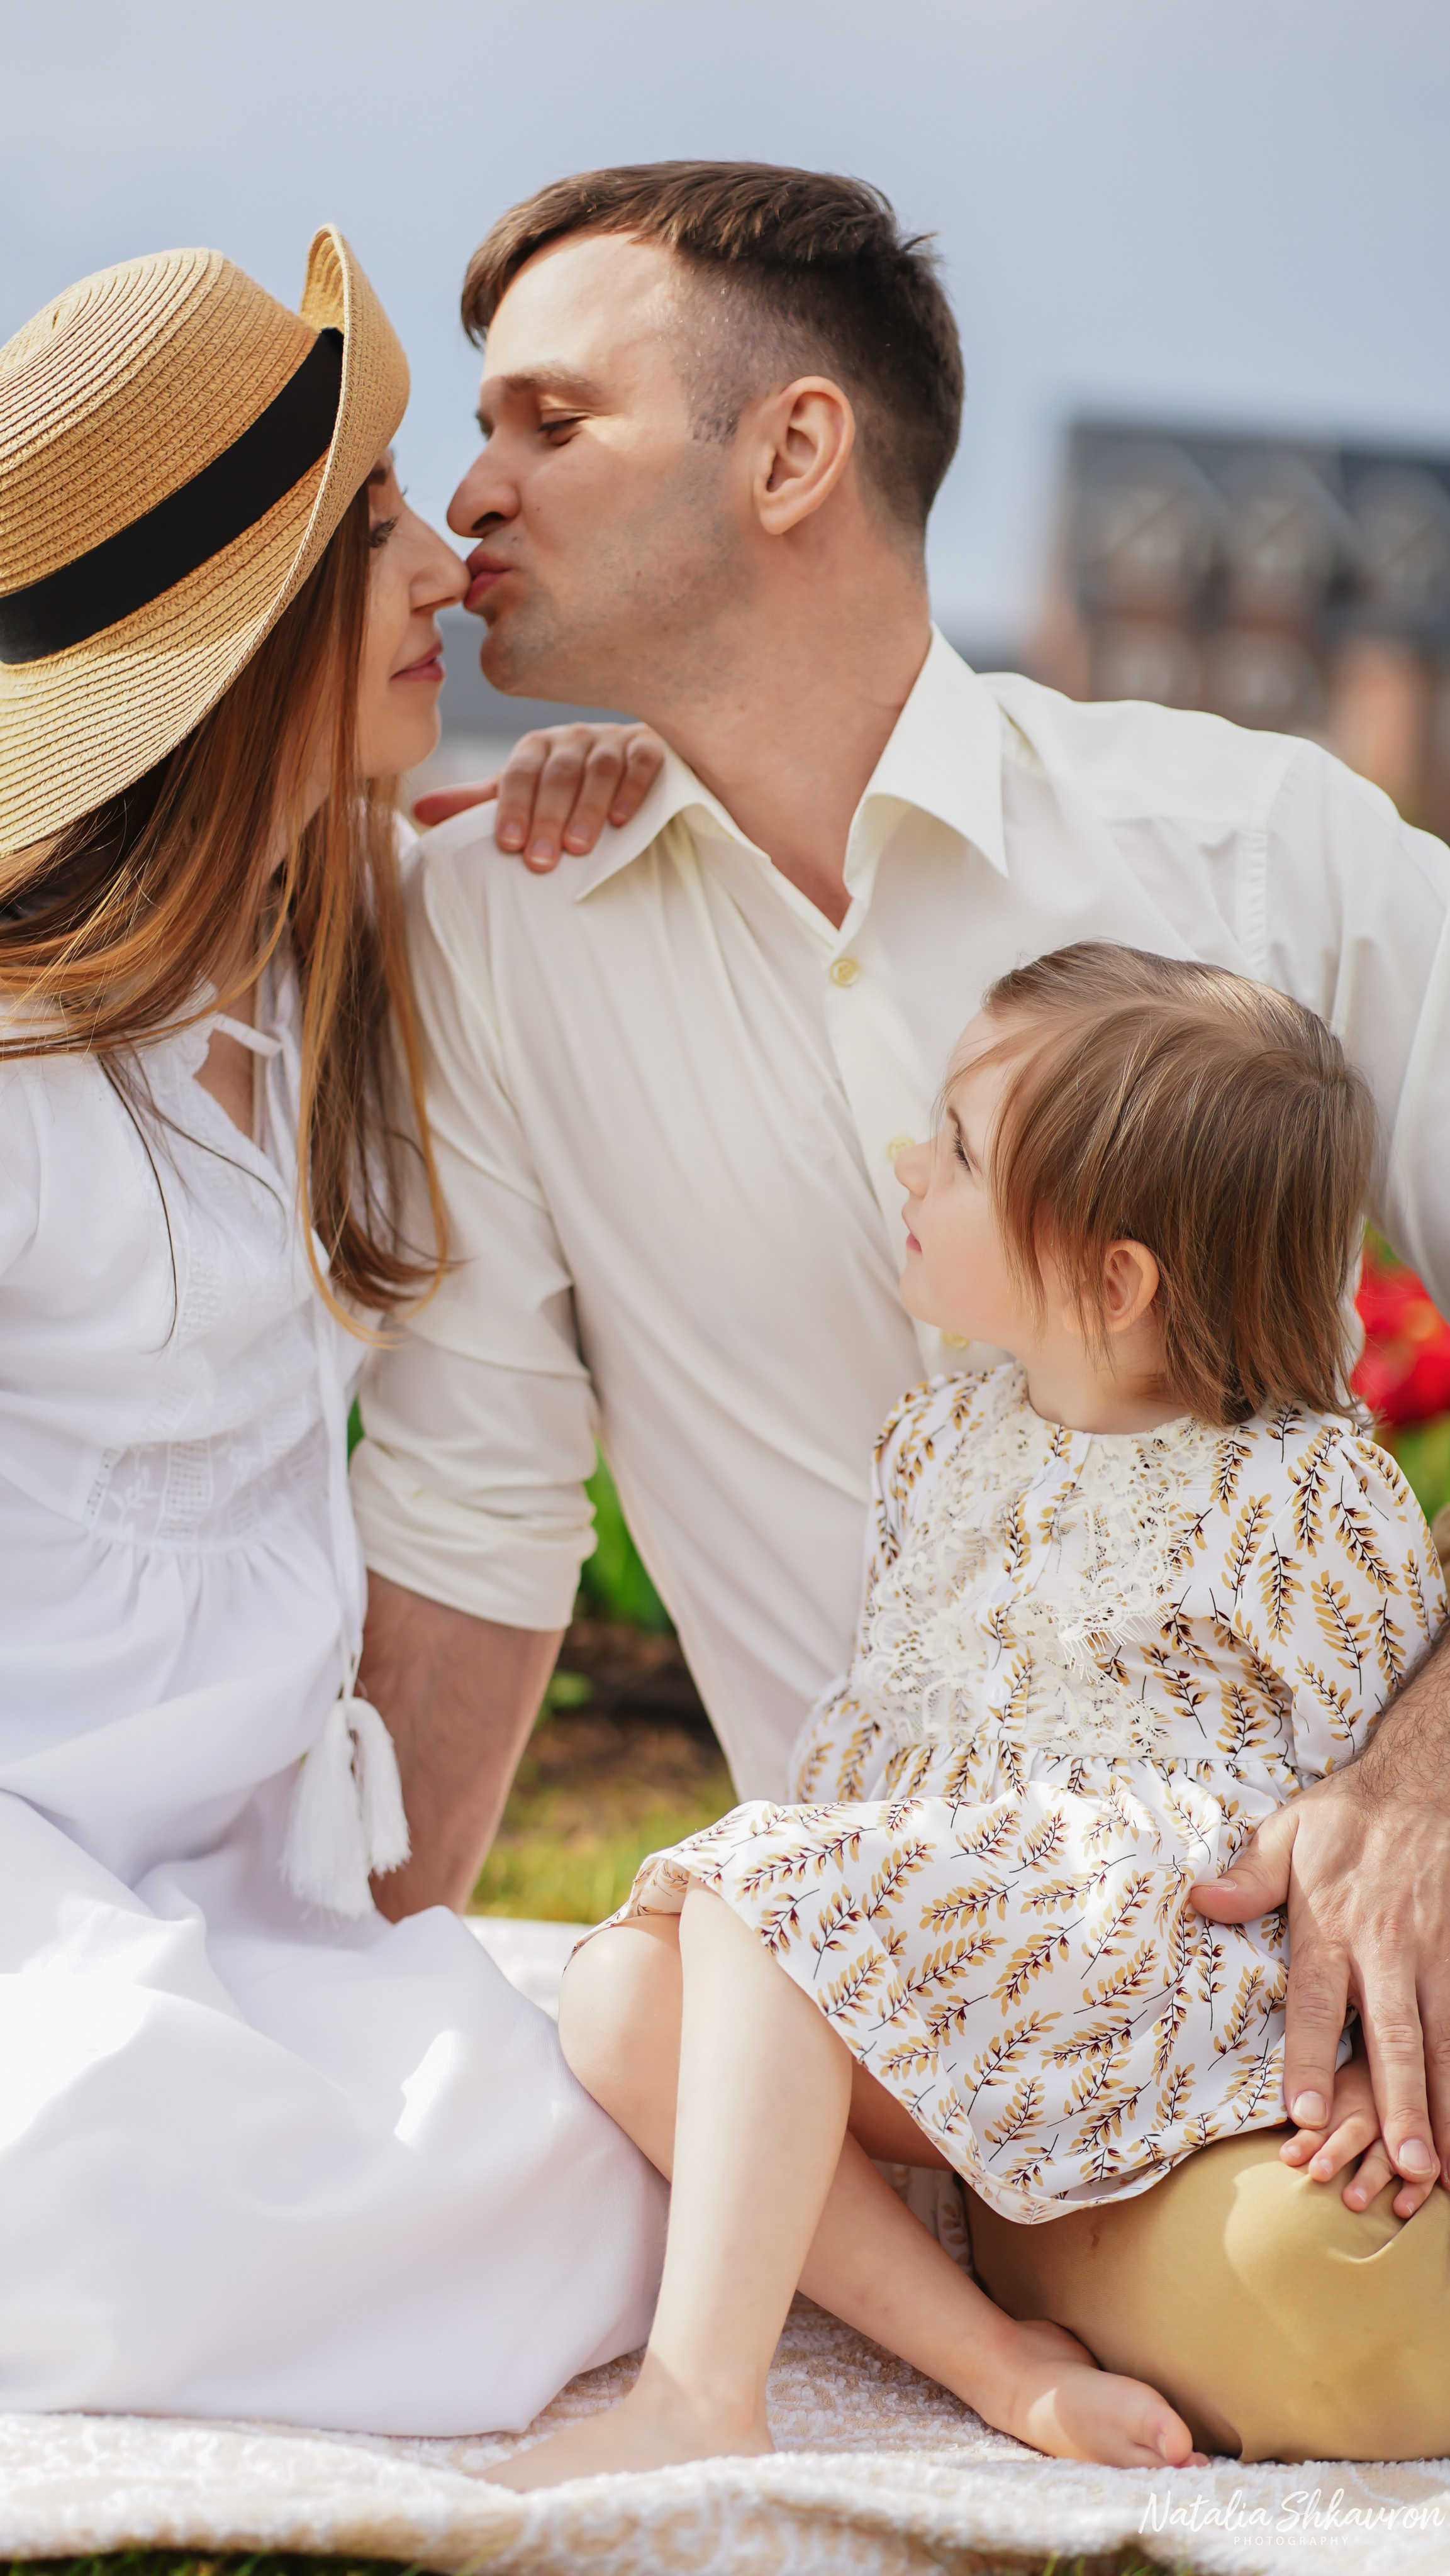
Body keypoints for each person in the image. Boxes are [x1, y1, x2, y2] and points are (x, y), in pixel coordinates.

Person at [353, 160, 1450, 2459]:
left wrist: (1407, 1777)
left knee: (1340, 2272)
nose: (467, 490)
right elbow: (472, 1513)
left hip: (1291, 1952)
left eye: (550, 422)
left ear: (788, 454)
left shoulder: (1261, 853)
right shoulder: (492, 920)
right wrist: (354, 2007)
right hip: (898, 2009)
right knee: (1324, 2314)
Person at [488, 940, 1447, 2487]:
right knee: (619, 1997)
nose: (905, 1162)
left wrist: (1355, 2047)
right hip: (982, 1932)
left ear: (1112, 1275)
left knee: (762, 1894)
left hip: (1161, 1951)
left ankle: (697, 2395)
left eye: (956, 1145)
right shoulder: (939, 1441)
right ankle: (1001, 2364)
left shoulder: (1301, 1490)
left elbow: (1384, 1801)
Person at [0, 228, 669, 2428]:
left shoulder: (338, 963)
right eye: (369, 523)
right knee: (115, 2174)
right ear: (230, 642)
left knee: (563, 2146)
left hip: (241, 1888)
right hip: (32, 1882)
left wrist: (555, 805)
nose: (441, 562)